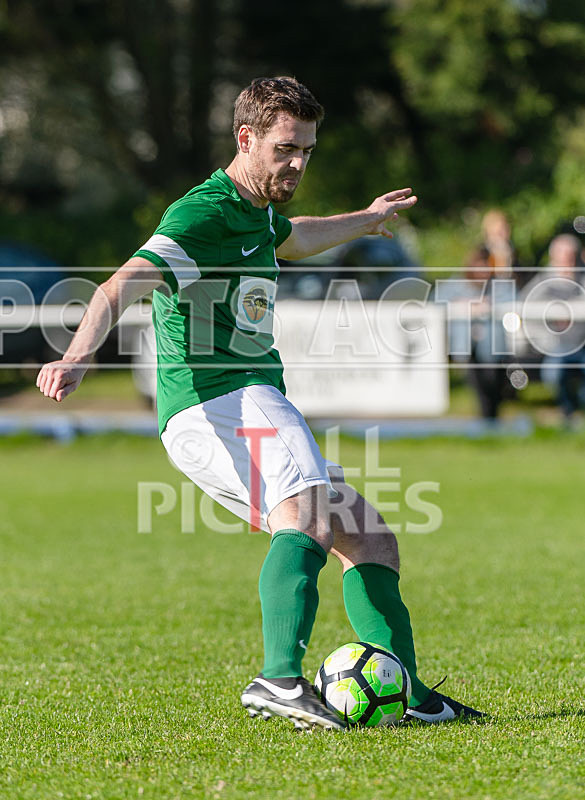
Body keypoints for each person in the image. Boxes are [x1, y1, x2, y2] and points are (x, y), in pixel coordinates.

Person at [36, 77, 482, 729]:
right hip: (213, 400)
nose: (297, 162)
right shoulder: (202, 214)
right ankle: (277, 680)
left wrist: (366, 218)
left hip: (249, 399)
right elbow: (120, 285)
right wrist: (77, 355)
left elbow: (290, 237)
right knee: (305, 513)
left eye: (306, 149)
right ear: (244, 139)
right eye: (285, 148)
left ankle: (406, 692)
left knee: (369, 537)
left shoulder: (256, 212)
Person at [520, 233, 585, 424]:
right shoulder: (541, 283)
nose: (566, 262)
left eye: (570, 257)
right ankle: (568, 412)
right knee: (554, 371)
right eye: (562, 257)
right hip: (554, 348)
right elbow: (527, 308)